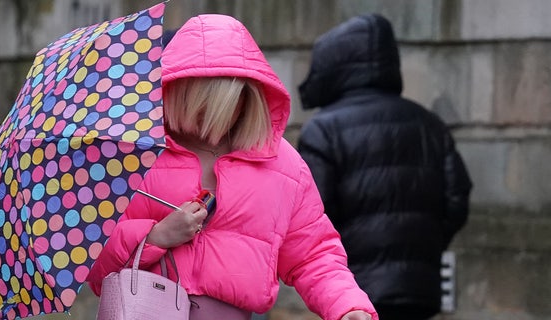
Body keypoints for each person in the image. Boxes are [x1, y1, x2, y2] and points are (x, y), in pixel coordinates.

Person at [87, 13, 378, 320]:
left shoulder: (282, 164)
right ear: (174, 90)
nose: (212, 116)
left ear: (246, 97)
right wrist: (155, 236)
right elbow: (92, 259)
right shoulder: (132, 154)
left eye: (225, 103)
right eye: (201, 103)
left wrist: (347, 307)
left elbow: (313, 253)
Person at [297, 13, 473, 320]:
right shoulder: (429, 125)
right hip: (420, 287)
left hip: (352, 291)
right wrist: (424, 244)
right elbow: (457, 198)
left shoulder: (322, 130)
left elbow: (314, 214)